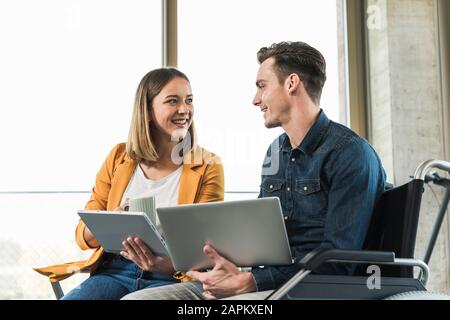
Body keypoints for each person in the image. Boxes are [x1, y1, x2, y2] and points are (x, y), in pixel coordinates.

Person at [121, 41, 386, 301]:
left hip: (309, 288)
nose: (255, 100)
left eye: (262, 86)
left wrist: (249, 282)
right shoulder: (277, 151)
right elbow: (256, 237)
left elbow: (339, 261)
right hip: (264, 281)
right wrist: (224, 270)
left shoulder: (350, 155)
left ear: (292, 83)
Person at [34, 68, 224, 300]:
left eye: (189, 100)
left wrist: (168, 264)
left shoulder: (207, 165)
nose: (184, 109)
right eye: (172, 101)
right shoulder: (119, 156)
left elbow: (206, 245)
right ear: (148, 111)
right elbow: (81, 234)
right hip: (115, 270)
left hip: (170, 275)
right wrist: (110, 221)